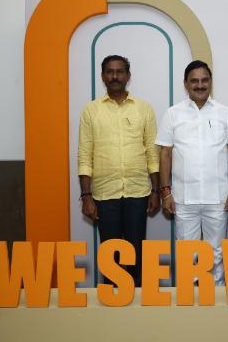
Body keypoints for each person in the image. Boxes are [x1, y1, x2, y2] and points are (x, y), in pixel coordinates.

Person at [156, 60, 228, 285]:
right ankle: (189, 297)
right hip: (183, 198)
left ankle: (216, 295)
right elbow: (165, 154)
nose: (200, 85)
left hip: (218, 197)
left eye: (204, 80)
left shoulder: (225, 113)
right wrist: (165, 193)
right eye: (194, 81)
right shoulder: (172, 114)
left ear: (211, 82)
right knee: (187, 253)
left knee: (216, 252)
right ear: (185, 84)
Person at [78, 55, 160, 287]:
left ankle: (136, 300)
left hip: (138, 192)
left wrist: (155, 191)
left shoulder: (143, 108)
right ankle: (112, 302)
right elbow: (84, 154)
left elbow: (152, 153)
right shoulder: (91, 110)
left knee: (136, 253)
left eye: (120, 71)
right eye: (110, 72)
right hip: (104, 194)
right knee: (110, 255)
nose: (115, 76)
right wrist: (86, 196)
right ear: (103, 76)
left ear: (128, 76)